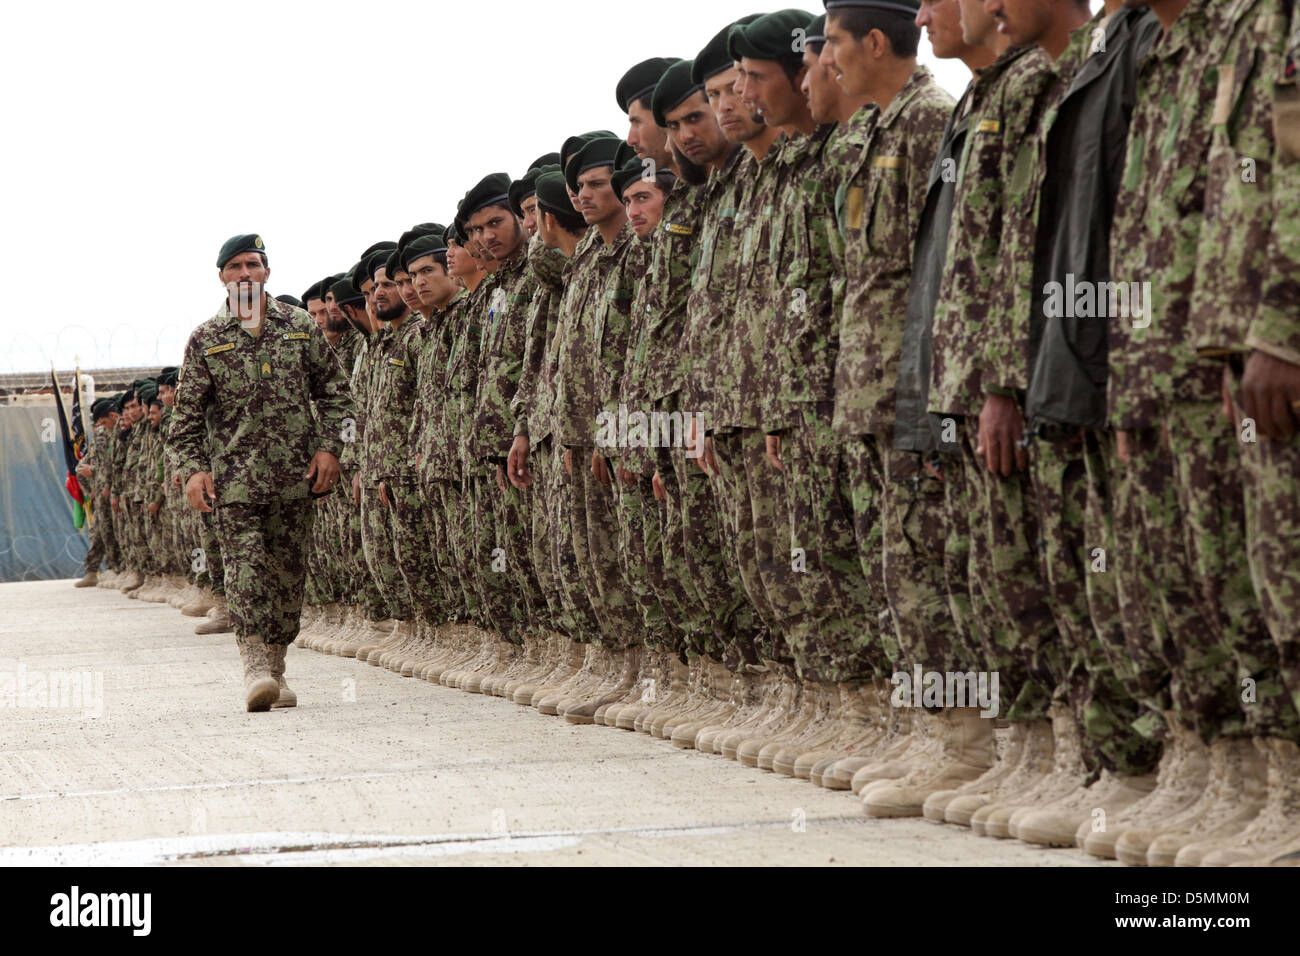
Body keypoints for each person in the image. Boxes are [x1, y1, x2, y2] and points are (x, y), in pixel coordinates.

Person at [170, 234, 356, 712]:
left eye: (253, 264)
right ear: (222, 278)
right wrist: (193, 471)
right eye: (235, 267)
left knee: (288, 576)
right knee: (246, 571)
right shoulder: (207, 339)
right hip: (235, 484)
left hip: (296, 481)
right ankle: (254, 664)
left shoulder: (298, 327)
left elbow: (337, 394)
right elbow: (185, 421)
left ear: (268, 273)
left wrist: (330, 450)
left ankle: (277, 666)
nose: (245, 273)